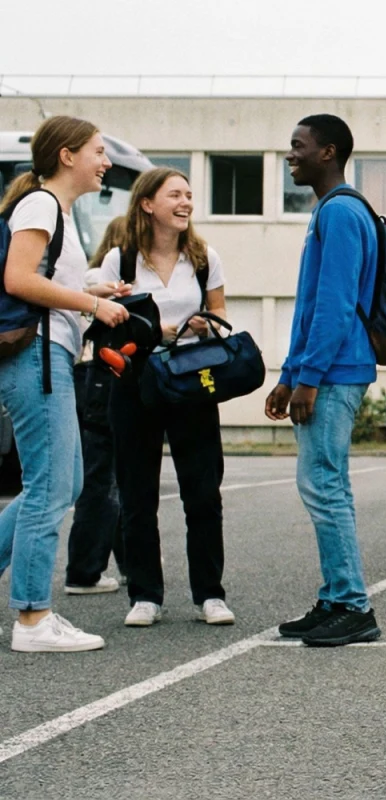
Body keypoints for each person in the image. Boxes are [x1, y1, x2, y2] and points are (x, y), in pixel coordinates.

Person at [0, 116, 131, 653]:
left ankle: (32, 611)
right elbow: (19, 279)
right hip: (38, 356)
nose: (105, 162)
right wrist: (93, 303)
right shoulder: (40, 205)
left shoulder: (57, 210)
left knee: (64, 482)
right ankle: (32, 619)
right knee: (50, 488)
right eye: (99, 151)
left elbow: (48, 277)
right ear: (67, 155)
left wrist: (98, 286)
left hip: (48, 354)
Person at [93, 169, 235, 628]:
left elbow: (220, 315)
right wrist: (158, 330)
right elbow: (107, 320)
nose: (186, 201)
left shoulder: (204, 257)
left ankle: (210, 594)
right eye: (175, 194)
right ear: (148, 204)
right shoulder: (121, 259)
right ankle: (145, 595)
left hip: (190, 381)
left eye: (190, 195)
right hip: (135, 383)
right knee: (137, 495)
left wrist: (204, 324)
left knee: (203, 493)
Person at [266, 114, 382, 647]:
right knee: (324, 484)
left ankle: (353, 606)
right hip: (323, 370)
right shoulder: (331, 212)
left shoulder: (339, 214)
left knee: (325, 485)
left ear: (328, 152)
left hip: (335, 373)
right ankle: (337, 597)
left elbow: (335, 306)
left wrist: (308, 378)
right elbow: (311, 306)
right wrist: (290, 375)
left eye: (299, 146)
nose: (291, 155)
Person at [63, 214, 130, 596]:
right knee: (102, 475)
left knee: (112, 474)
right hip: (97, 379)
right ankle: (85, 569)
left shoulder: (90, 278)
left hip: (86, 378)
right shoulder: (94, 283)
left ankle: (122, 561)